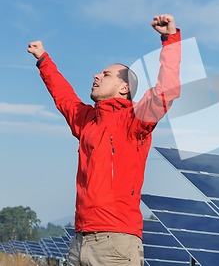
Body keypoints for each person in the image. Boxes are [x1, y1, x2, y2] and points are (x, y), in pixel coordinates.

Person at [27, 14, 182, 266]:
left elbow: (168, 90)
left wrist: (170, 38)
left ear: (124, 88)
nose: (96, 76)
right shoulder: (87, 120)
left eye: (106, 74)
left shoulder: (134, 120)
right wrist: (43, 59)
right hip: (80, 241)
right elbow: (63, 96)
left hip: (116, 242)